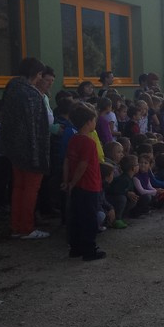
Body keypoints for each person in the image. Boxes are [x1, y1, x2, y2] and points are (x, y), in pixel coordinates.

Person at [0, 58, 51, 240]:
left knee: (18, 187)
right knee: (31, 189)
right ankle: (26, 228)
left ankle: (16, 227)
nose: (41, 78)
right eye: (41, 75)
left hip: (14, 148)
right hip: (30, 149)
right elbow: (36, 127)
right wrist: (39, 153)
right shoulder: (31, 94)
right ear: (36, 74)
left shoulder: (11, 88)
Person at [62, 103, 106, 261]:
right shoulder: (89, 142)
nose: (95, 123)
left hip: (77, 186)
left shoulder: (74, 139)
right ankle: (89, 250)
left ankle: (75, 248)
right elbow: (83, 165)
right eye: (94, 120)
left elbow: (67, 161)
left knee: (76, 217)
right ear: (88, 122)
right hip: (88, 185)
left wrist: (67, 181)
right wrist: (72, 182)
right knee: (89, 219)